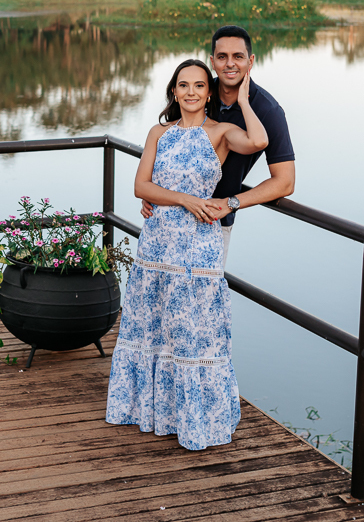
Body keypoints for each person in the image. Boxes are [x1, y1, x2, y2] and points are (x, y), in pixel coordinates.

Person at [105, 57, 267, 450]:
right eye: (183, 85)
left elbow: (259, 141)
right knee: (152, 325)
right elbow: (141, 186)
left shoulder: (222, 132)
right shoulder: (158, 133)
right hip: (157, 243)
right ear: (173, 92)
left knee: (194, 330)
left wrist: (244, 99)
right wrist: (182, 199)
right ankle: (149, 410)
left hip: (198, 247)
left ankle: (195, 419)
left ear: (208, 92)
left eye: (198, 85)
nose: (191, 92)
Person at [142, 25, 296, 265]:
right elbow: (170, 144)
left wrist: (231, 203)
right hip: (165, 218)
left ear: (251, 61)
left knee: (201, 298)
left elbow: (284, 182)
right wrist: (161, 192)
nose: (230, 64)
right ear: (212, 61)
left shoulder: (268, 111)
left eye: (238, 57)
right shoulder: (198, 90)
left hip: (213, 221)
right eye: (222, 57)